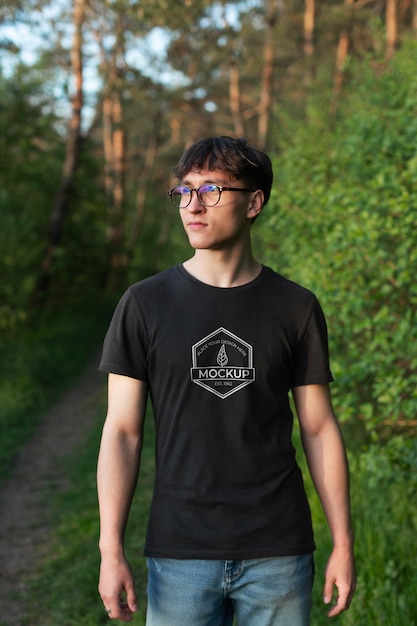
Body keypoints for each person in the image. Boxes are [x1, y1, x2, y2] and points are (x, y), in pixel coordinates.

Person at [97, 136, 356, 625]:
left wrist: (343, 543)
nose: (193, 204)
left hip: (278, 550)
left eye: (213, 189)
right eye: (185, 190)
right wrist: (111, 549)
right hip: (179, 552)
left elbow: (319, 428)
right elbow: (122, 432)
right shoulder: (144, 304)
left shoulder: (295, 307)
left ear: (254, 202)